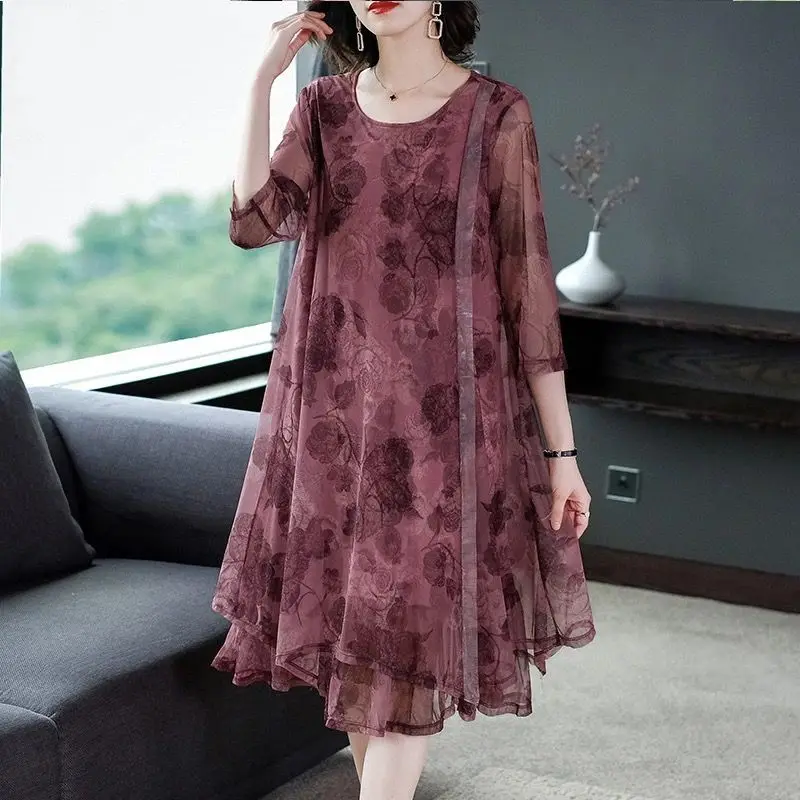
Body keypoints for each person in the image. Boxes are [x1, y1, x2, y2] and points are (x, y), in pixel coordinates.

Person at [210, 2, 597, 798]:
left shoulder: (495, 115)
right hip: (331, 430)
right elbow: (256, 222)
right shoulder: (322, 109)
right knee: (365, 666)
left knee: (404, 664)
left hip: (443, 437)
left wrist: (562, 454)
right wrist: (260, 85)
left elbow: (528, 293)